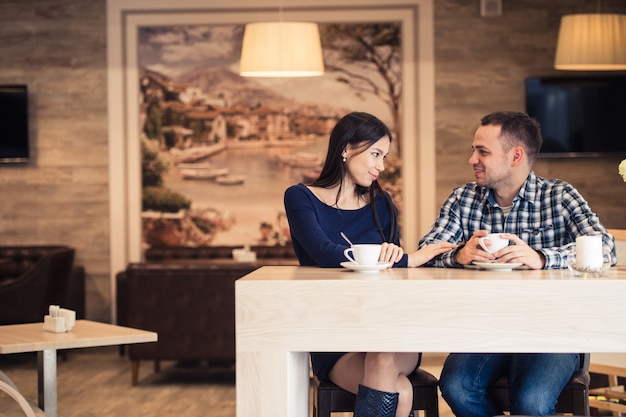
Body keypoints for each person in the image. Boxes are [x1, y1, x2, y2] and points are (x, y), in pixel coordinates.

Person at [418, 110, 617, 417]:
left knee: (531, 402)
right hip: (488, 328)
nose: (472, 159)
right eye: (473, 150)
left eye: (482, 151)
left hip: (553, 330)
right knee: (456, 387)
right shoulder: (463, 199)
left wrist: (541, 258)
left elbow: (604, 249)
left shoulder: (560, 196)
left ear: (516, 156)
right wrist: (458, 255)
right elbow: (426, 252)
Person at [284, 111, 455, 417]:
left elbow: (396, 274)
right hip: (335, 336)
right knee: (400, 392)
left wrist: (398, 259)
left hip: (389, 328)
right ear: (347, 148)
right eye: (376, 154)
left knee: (383, 359)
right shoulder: (300, 198)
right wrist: (407, 258)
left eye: (385, 156)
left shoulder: (383, 204)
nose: (382, 166)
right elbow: (324, 253)